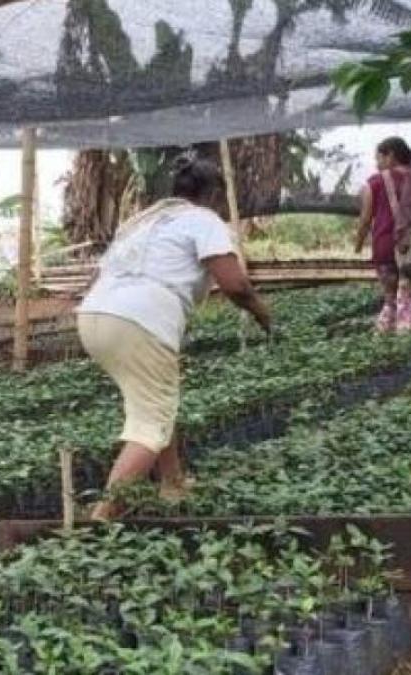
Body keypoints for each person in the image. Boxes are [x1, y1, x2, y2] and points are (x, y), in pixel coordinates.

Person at [77, 155, 271, 520]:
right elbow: (235, 284)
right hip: (140, 319)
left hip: (94, 316)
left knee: (155, 402)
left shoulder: (143, 221)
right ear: (212, 195)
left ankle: (173, 482)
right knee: (150, 424)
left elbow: (98, 277)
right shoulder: (204, 220)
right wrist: (262, 312)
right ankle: (101, 520)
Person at [354, 136, 411, 334]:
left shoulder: (375, 182)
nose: (377, 164)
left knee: (390, 298)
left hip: (384, 246)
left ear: (390, 155)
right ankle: (403, 339)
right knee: (408, 300)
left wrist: (358, 243)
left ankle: (384, 339)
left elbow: (365, 219)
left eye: (378, 158)